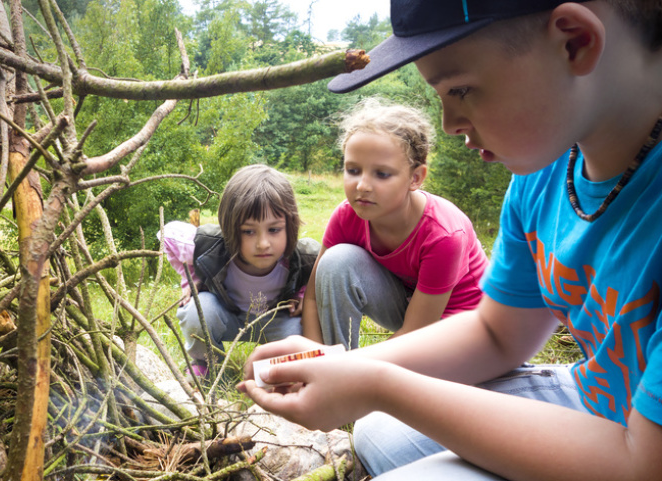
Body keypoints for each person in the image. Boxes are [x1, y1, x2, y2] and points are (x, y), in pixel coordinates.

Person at [238, 1, 662, 480]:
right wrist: (343, 366)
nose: (448, 124)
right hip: (600, 395)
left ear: (575, 41)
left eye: (461, 89)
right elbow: (497, 333)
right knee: (377, 432)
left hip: (640, 448)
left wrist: (379, 384)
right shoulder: (545, 174)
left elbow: (643, 464)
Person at [300, 99, 488, 349]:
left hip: (461, 328)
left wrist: (349, 372)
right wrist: (314, 358)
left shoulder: (443, 235)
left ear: (415, 178)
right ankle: (335, 364)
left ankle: (345, 375)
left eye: (382, 174)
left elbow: (415, 333)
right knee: (336, 261)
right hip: (412, 308)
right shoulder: (347, 216)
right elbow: (311, 298)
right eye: (353, 170)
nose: (362, 186)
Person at [160, 164, 320, 378]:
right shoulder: (211, 246)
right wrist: (191, 279)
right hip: (228, 316)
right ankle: (207, 365)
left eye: (274, 229)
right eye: (248, 231)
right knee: (197, 311)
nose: (263, 243)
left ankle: (278, 371)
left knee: (303, 331)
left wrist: (303, 294)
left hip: (277, 320)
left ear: (290, 226)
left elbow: (323, 273)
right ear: (229, 228)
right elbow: (167, 235)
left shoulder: (305, 256)